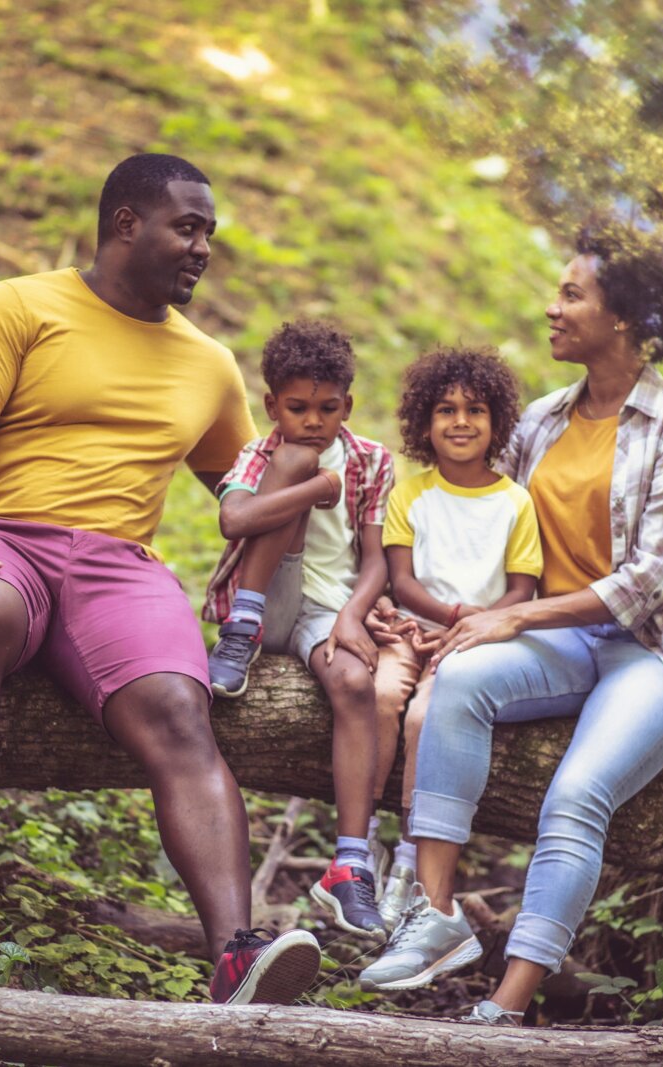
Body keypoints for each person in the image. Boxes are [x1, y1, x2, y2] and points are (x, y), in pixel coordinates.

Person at [0, 153, 323, 1008]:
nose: (202, 248)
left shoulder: (208, 364)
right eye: (187, 227)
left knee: (180, 706)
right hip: (3, 540)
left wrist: (341, 496)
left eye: (209, 233)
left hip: (117, 567)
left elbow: (242, 486)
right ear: (126, 223)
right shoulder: (19, 305)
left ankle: (235, 954)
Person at [357, 226, 663, 1026]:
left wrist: (514, 615)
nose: (552, 306)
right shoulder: (539, 420)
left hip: (654, 653)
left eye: (572, 294)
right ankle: (434, 916)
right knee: (460, 678)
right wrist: (436, 610)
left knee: (574, 795)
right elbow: (483, 524)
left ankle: (505, 1006)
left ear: (629, 318)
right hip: (562, 642)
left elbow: (646, 584)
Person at [201, 320, 396, 939]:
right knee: (293, 464)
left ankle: (350, 863)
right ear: (271, 405)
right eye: (298, 407)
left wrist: (350, 615)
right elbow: (234, 519)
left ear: (349, 404)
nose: (314, 420)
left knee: (354, 684)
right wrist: (312, 485)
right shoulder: (266, 453)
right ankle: (242, 631)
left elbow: (375, 560)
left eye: (329, 408)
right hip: (266, 599)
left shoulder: (370, 461)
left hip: (326, 611)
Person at [367, 345, 542, 928]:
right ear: (425, 422)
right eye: (445, 409)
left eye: (475, 410)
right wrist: (442, 613)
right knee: (383, 698)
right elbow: (400, 578)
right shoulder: (411, 494)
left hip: (472, 646)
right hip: (410, 631)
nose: (460, 422)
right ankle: (363, 843)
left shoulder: (516, 503)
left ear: (497, 424)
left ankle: (410, 861)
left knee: (423, 719)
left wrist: (471, 624)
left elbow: (521, 590)